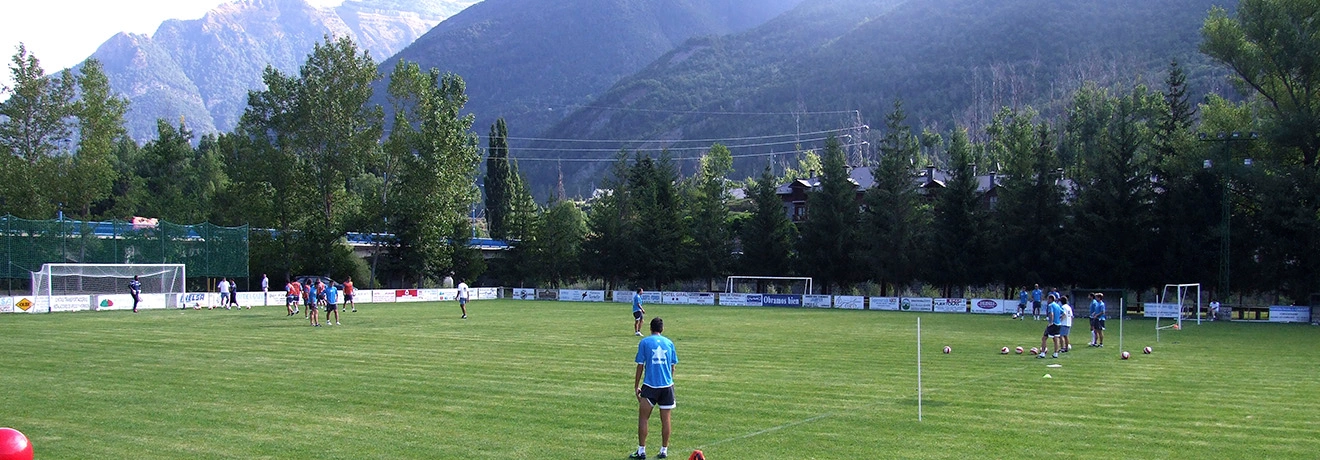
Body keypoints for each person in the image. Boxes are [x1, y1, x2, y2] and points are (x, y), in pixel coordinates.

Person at [631, 317, 677, 460]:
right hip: (667, 387)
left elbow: (640, 365)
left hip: (650, 386)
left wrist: (636, 385)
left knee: (644, 418)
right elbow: (672, 367)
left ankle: (641, 450)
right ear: (662, 329)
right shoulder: (669, 343)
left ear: (650, 329)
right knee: (666, 420)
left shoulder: (644, 342)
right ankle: (664, 450)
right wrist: (669, 379)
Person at [1037, 294, 1063, 359]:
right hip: (1058, 324)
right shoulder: (1057, 305)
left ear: (1051, 299)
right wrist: (1059, 319)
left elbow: (1051, 313)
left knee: (1044, 338)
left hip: (1053, 324)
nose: (1047, 300)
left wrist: (1051, 322)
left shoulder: (1050, 305)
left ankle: (1042, 353)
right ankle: (1056, 353)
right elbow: (1063, 313)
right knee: (1056, 338)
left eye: (1048, 299)